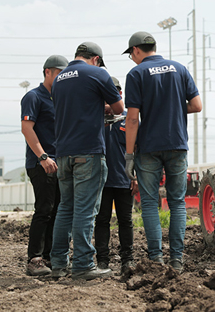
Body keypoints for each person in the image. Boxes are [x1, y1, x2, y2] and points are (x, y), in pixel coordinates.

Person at [123, 31, 202, 271]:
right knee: (177, 202)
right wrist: (172, 109)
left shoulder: (136, 74)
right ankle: (177, 259)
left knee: (149, 202)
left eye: (131, 55)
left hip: (149, 148)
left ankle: (156, 257)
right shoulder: (179, 69)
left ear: (136, 50)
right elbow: (197, 105)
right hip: (177, 144)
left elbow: (133, 119)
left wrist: (128, 156)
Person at [50, 42, 124, 280]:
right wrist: (102, 109)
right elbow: (119, 108)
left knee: (65, 208)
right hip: (88, 152)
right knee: (84, 210)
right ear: (96, 59)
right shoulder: (98, 73)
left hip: (62, 153)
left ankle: (59, 263)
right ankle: (83, 265)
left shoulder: (59, 79)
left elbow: (72, 109)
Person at [20, 55, 68, 276]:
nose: (61, 78)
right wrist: (42, 157)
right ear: (47, 71)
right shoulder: (33, 97)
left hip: (60, 163)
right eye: (59, 73)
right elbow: (27, 129)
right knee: (44, 210)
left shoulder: (61, 99)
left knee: (58, 211)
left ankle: (49, 257)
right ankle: (35, 259)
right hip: (41, 163)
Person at [94, 77, 138, 275]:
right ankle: (102, 260)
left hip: (124, 180)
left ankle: (127, 259)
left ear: (119, 96)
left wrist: (135, 177)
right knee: (101, 220)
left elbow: (138, 149)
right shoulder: (94, 119)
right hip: (100, 181)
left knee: (125, 220)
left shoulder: (130, 118)